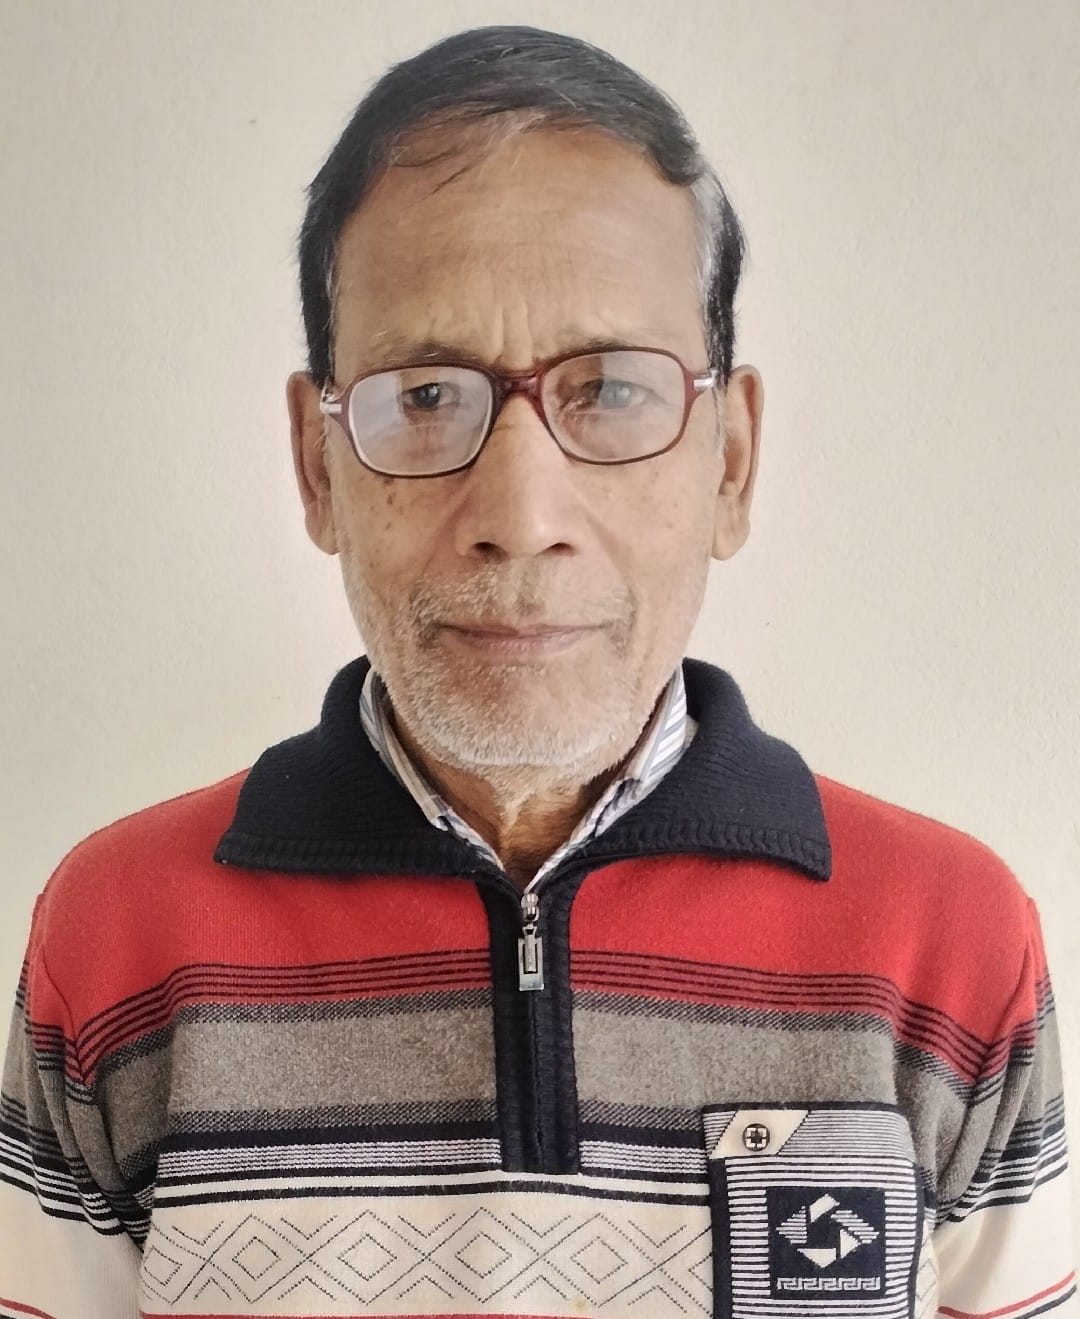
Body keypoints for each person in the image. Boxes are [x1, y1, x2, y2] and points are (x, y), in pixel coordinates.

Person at [0, 24, 1073, 1319]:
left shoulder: (950, 951)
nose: (521, 514)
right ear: (316, 465)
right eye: (425, 396)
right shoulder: (116, 944)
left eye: (610, 391)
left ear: (730, 464)